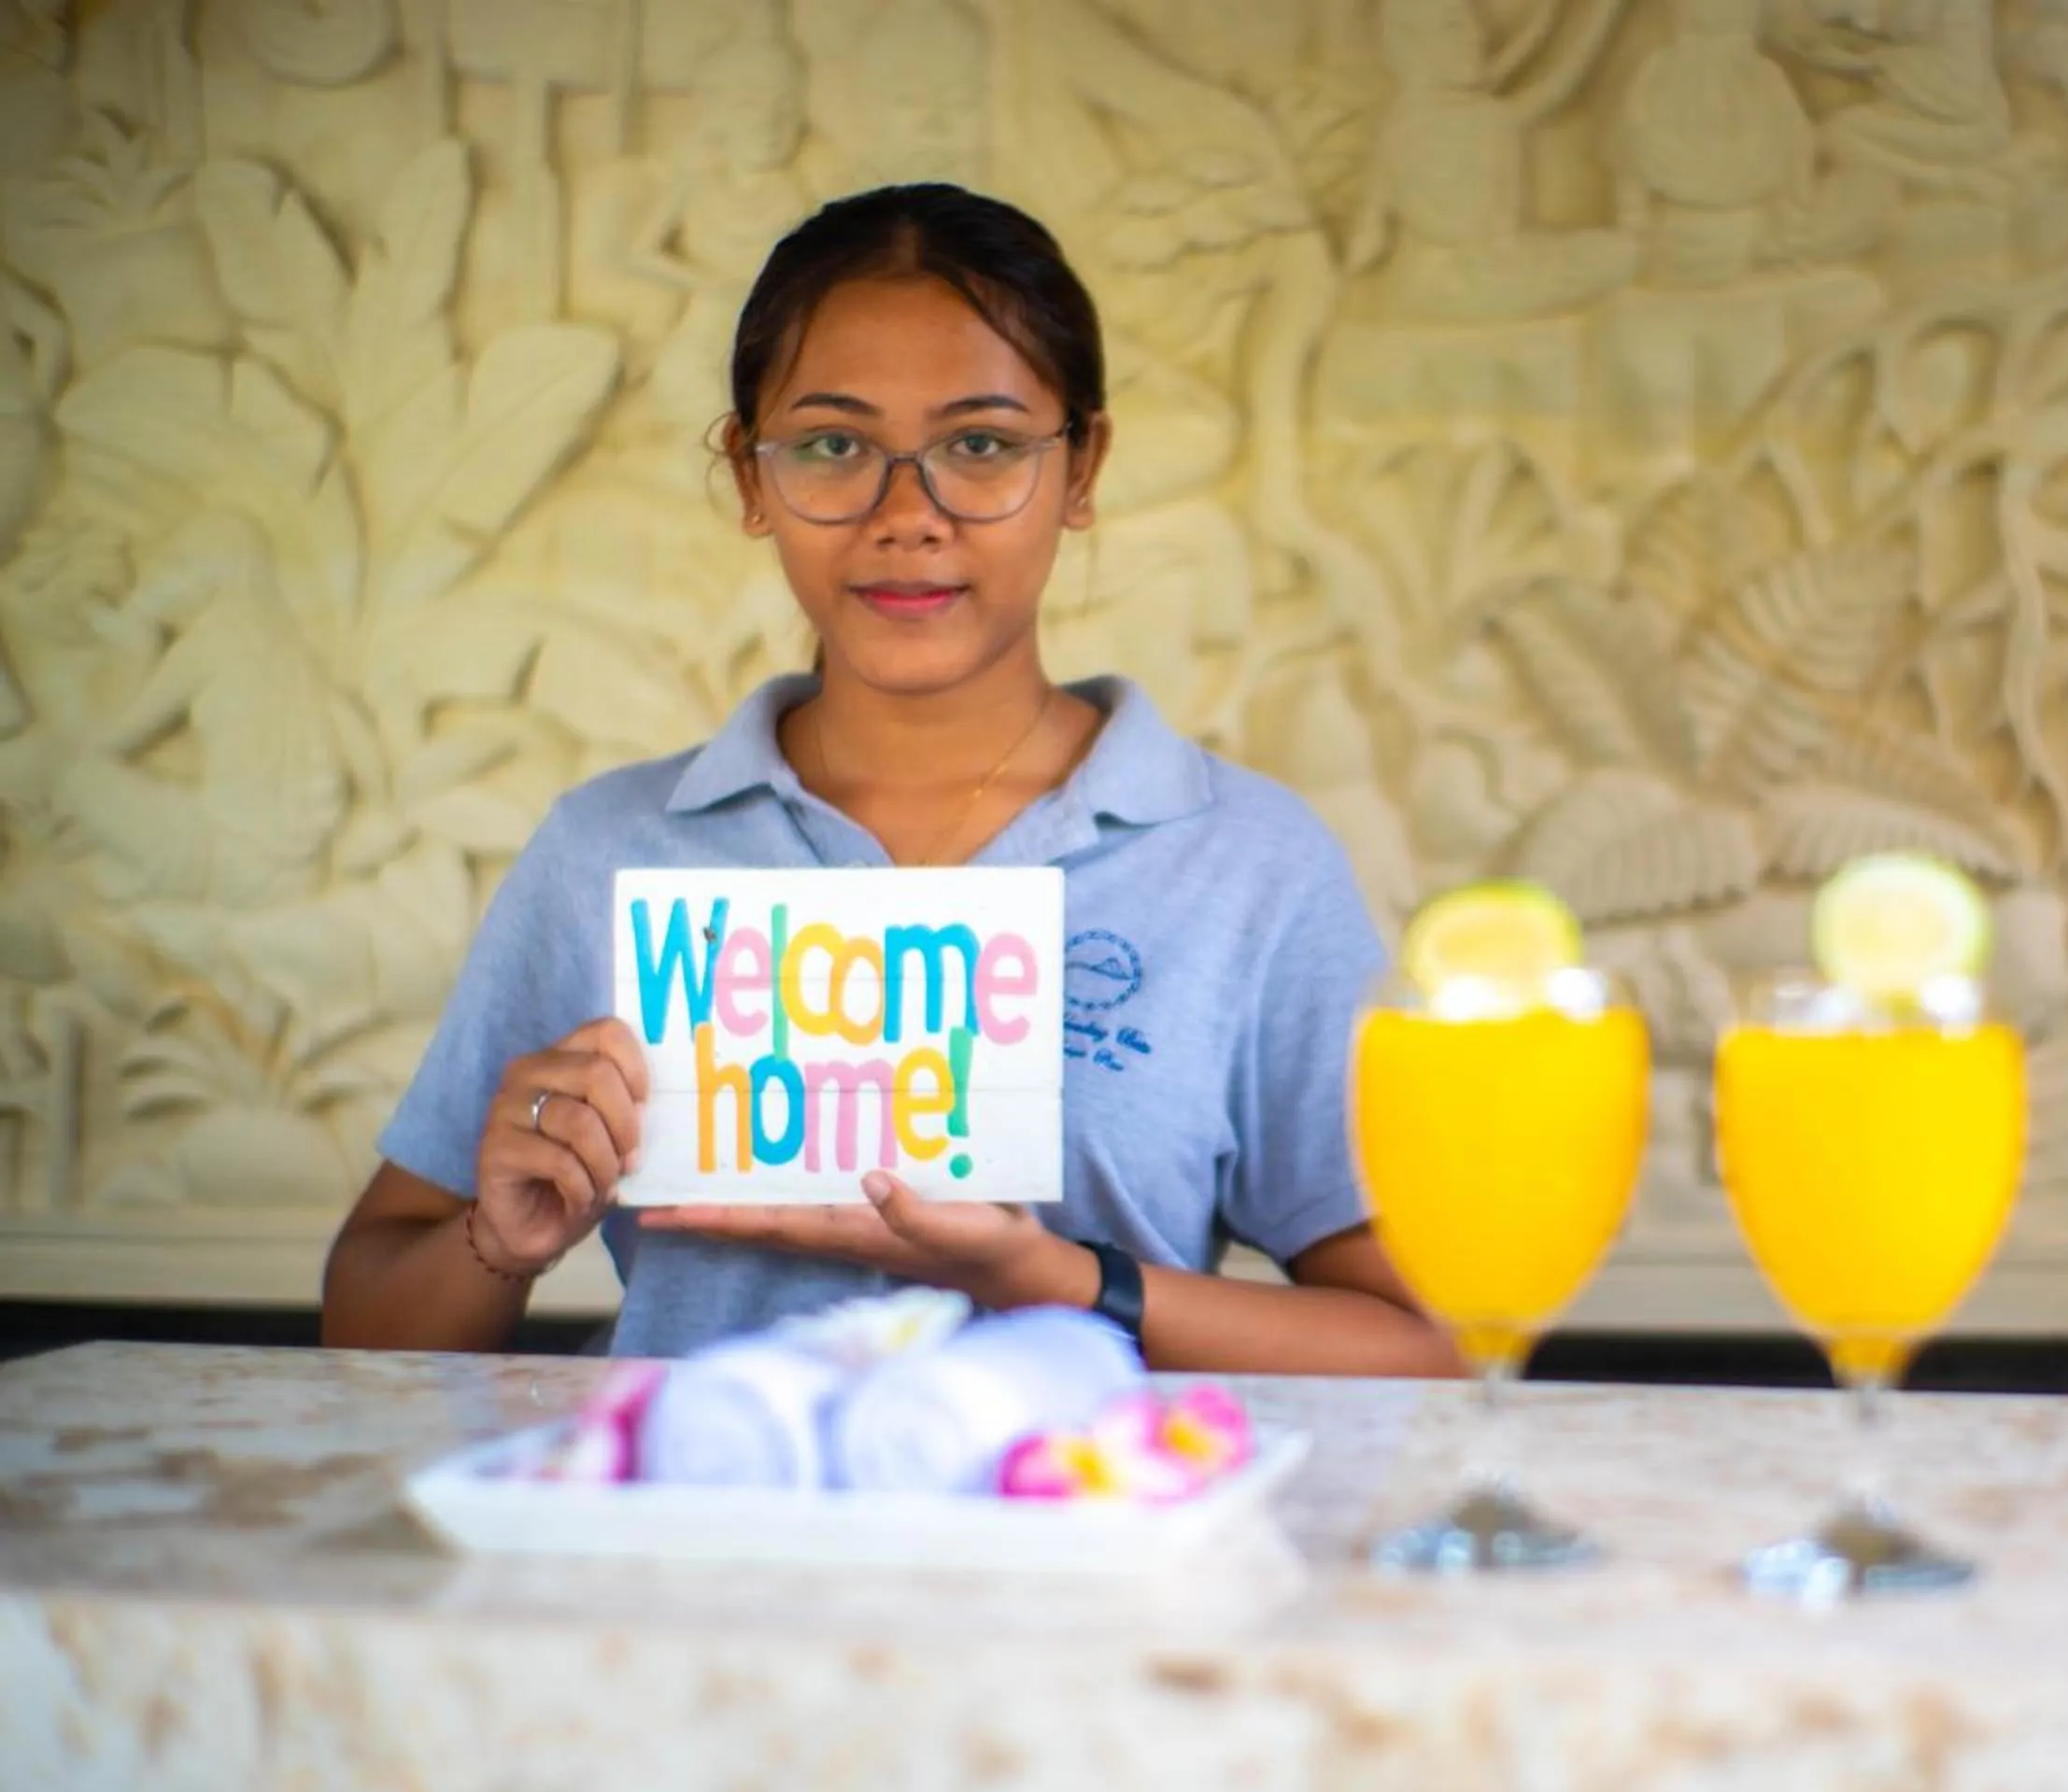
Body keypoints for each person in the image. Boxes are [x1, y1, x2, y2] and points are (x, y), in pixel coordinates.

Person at [321, 183, 1460, 1375]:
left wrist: (1058, 1280)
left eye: (980, 445)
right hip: (691, 1551)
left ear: (1082, 467)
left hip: (1080, 1548)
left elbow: (1422, 1348)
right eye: (832, 446)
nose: (907, 516)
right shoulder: (609, 851)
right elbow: (365, 1325)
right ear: (751, 478)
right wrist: (496, 1236)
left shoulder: (1245, 864)